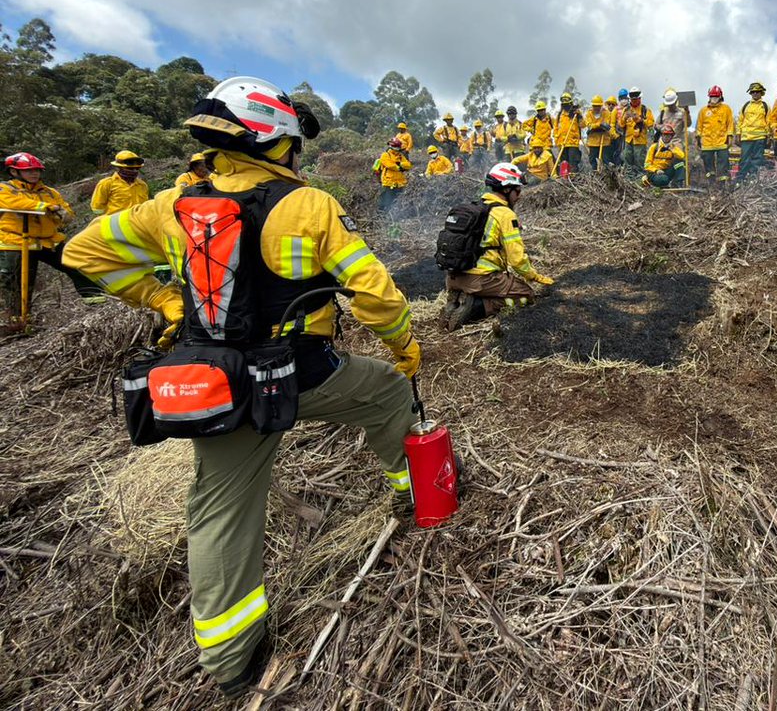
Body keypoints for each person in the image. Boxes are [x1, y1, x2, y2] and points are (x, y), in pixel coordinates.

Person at [62, 76, 421, 697]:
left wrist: (163, 299)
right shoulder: (307, 205)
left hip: (216, 385)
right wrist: (404, 347)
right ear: (275, 141)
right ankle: (407, 493)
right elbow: (374, 293)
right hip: (302, 374)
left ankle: (232, 662)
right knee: (388, 392)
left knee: (221, 512)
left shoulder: (169, 207)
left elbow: (84, 252)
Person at [442, 162, 554, 331]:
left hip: (453, 277)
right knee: (526, 295)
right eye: (517, 190)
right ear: (507, 189)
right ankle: (476, 307)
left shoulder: (478, 207)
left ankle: (458, 297)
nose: (520, 195)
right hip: (480, 280)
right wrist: (534, 277)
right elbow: (516, 261)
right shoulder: (505, 214)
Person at [0, 152, 105, 330]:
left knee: (78, 264)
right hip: (16, 242)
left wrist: (63, 215)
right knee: (16, 283)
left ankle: (98, 304)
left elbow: (65, 210)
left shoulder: (49, 192)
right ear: (14, 172)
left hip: (49, 241)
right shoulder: (6, 189)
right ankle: (17, 322)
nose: (35, 174)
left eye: (37, 171)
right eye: (29, 170)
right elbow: (13, 203)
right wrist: (45, 207)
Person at [91, 150, 151, 215]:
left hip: (137, 223)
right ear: (120, 168)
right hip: (115, 224)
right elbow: (97, 208)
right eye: (130, 169)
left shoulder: (142, 185)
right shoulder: (107, 184)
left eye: (137, 168)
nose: (134, 171)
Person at [696, 86, 734, 184]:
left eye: (716, 97)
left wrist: (730, 136)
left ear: (720, 97)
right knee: (708, 165)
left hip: (722, 142)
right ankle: (711, 183)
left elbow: (730, 123)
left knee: (723, 164)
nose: (714, 99)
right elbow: (699, 126)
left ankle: (722, 185)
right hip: (707, 143)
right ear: (709, 97)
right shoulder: (703, 111)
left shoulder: (726, 109)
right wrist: (698, 138)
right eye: (712, 97)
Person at [736, 82, 771, 181]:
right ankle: (740, 180)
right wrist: (738, 134)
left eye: (757, 92)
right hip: (746, 138)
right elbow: (740, 120)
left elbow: (768, 121)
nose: (755, 94)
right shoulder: (746, 106)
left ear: (761, 93)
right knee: (744, 160)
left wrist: (769, 136)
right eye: (753, 92)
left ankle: (752, 179)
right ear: (750, 93)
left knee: (757, 160)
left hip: (760, 138)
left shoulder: (765, 106)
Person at [373, 137, 413, 213]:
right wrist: (400, 167)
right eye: (396, 147)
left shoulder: (401, 156)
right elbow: (390, 165)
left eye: (398, 147)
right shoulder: (385, 155)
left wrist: (400, 165)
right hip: (389, 182)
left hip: (400, 183)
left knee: (396, 201)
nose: (397, 149)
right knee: (386, 200)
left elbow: (408, 165)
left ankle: (393, 215)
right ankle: (381, 215)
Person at [619, 88, 653, 175]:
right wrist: (624, 118)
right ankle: (629, 180)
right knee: (627, 160)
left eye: (636, 99)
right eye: (632, 99)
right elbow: (621, 125)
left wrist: (639, 120)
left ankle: (640, 180)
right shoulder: (626, 110)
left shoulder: (645, 110)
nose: (634, 101)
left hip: (640, 141)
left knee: (639, 162)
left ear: (640, 99)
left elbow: (650, 124)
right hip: (628, 140)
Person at [583, 94, 614, 170]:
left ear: (601, 106)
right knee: (592, 159)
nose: (596, 108)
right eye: (595, 106)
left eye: (598, 106)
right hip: (593, 141)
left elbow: (607, 124)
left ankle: (607, 176)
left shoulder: (606, 113)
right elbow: (589, 125)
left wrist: (598, 126)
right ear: (592, 106)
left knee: (605, 159)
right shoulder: (588, 114)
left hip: (604, 141)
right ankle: (595, 174)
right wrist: (599, 124)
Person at [554, 98, 583, 174]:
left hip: (572, 142)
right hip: (562, 143)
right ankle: (564, 179)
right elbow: (556, 128)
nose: (565, 106)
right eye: (563, 105)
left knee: (573, 162)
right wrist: (556, 139)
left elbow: (583, 125)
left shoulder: (576, 113)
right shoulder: (560, 115)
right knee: (564, 163)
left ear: (570, 104)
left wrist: (579, 116)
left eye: (567, 104)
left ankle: (574, 178)